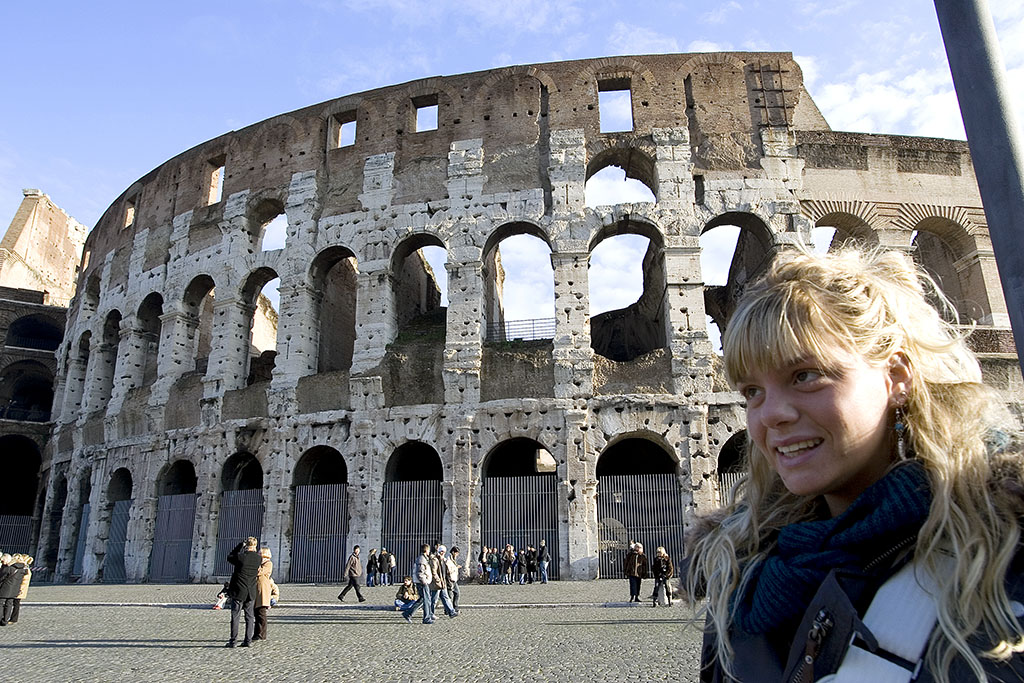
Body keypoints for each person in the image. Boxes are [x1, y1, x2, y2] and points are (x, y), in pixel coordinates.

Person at [683, 247, 1024, 682]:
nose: (770, 415)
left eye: (805, 375)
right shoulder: (742, 574)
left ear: (896, 376)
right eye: (752, 390)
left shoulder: (1003, 561)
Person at [225, 536, 262, 647]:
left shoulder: (241, 557)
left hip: (238, 591)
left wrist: (239, 545)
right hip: (251, 591)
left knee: (235, 616)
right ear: (255, 545)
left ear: (246, 546)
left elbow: (230, 556)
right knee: (250, 617)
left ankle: (233, 641)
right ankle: (248, 640)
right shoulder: (258, 558)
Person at [402, 544, 435, 624]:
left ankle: (408, 613)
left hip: (423, 582)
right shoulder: (421, 560)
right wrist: (424, 582)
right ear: (426, 550)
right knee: (426, 600)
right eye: (429, 550)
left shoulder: (424, 559)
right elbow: (420, 573)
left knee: (422, 600)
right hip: (422, 583)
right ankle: (426, 618)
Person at [429, 544, 458, 618]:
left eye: (444, 551)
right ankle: (430, 613)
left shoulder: (444, 560)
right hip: (437, 583)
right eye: (441, 551)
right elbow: (434, 571)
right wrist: (437, 580)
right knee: (434, 599)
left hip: (443, 582)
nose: (443, 553)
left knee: (446, 597)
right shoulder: (434, 560)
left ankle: (451, 612)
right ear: (438, 551)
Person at [0, 552, 28, 626]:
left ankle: (0, 619)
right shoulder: (23, 570)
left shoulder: (10, 568)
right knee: (9, 604)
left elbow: (2, 577)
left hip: (5, 589)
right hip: (15, 590)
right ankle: (5, 620)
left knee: (1, 604)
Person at [253, 547, 274, 641]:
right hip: (256, 589)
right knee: (256, 613)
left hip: (263, 590)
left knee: (261, 613)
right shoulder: (260, 563)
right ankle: (256, 633)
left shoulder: (268, 563)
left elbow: (260, 572)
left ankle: (262, 634)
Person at [445, 546, 462, 613]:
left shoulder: (453, 559)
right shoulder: (448, 559)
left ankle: (455, 607)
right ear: (453, 552)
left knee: (457, 593)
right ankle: (448, 609)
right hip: (449, 579)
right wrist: (456, 567)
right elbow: (449, 569)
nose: (457, 555)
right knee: (449, 596)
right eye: (456, 553)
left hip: (454, 579)